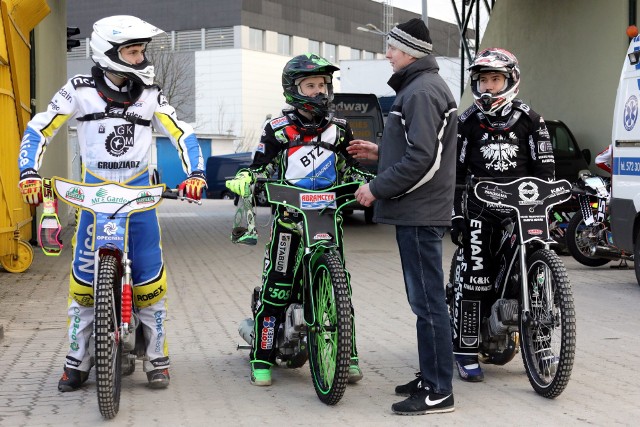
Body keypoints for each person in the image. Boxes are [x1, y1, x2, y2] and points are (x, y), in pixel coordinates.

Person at [17, 15, 206, 391]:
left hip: (138, 197)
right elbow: (39, 128)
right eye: (132, 51)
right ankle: (78, 356)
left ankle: (156, 355)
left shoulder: (151, 93)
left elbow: (183, 133)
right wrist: (28, 172)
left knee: (151, 279)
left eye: (140, 51)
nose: (140, 58)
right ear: (108, 53)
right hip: (93, 197)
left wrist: (196, 174)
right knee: (83, 283)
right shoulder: (78, 89)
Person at [225, 53, 374, 387]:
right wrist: (246, 179)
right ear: (293, 89)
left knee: (341, 288)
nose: (319, 92)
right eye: (311, 85)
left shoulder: (340, 129)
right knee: (277, 288)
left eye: (323, 85)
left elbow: (352, 169)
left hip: (327, 218)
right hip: (290, 221)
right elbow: (259, 166)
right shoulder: (278, 130)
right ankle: (261, 357)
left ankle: (348, 356)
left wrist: (371, 183)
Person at [347, 18, 457, 415]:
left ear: (410, 51)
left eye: (392, 48)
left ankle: (439, 390)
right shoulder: (417, 87)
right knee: (423, 302)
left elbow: (424, 160)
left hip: (420, 212)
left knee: (428, 304)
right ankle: (431, 375)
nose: (386, 54)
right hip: (417, 209)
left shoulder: (422, 91)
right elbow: (419, 149)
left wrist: (377, 187)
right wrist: (381, 152)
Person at [450, 47, 555, 382]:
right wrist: (456, 216)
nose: (489, 87)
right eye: (483, 81)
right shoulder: (466, 121)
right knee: (477, 277)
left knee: (535, 279)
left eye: (495, 79)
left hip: (522, 212)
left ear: (510, 80)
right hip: (480, 209)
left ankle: (539, 347)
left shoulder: (532, 120)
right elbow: (455, 172)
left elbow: (547, 172)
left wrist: (549, 204)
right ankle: (465, 350)